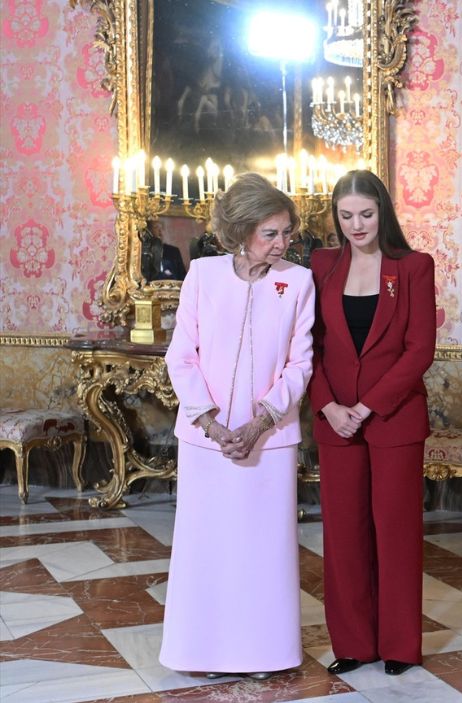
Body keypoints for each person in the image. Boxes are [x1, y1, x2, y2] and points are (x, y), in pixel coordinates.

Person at [160, 172, 314, 678]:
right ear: (242, 231)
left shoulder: (299, 281)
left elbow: (300, 363)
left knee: (263, 550)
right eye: (270, 233)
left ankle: (266, 653)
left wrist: (260, 423)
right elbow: (181, 356)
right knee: (207, 548)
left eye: (286, 232)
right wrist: (211, 423)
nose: (282, 242)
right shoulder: (202, 275)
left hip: (270, 442)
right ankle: (199, 653)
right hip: (206, 442)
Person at [309, 170, 436, 677]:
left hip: (394, 419)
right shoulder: (320, 266)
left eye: (365, 213)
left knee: (396, 533)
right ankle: (354, 643)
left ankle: (400, 645)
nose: (356, 225)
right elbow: (307, 347)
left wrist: (366, 406)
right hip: (335, 421)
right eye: (346, 216)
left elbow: (419, 349)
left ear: (382, 211)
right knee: (343, 536)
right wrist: (329, 406)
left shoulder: (413, 266)